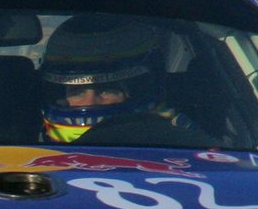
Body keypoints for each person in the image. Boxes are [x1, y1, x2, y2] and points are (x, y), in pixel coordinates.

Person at [38, 14, 204, 145]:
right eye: (76, 91)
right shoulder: (25, 145)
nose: (90, 101)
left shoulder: (181, 140)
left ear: (142, 89)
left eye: (107, 89)